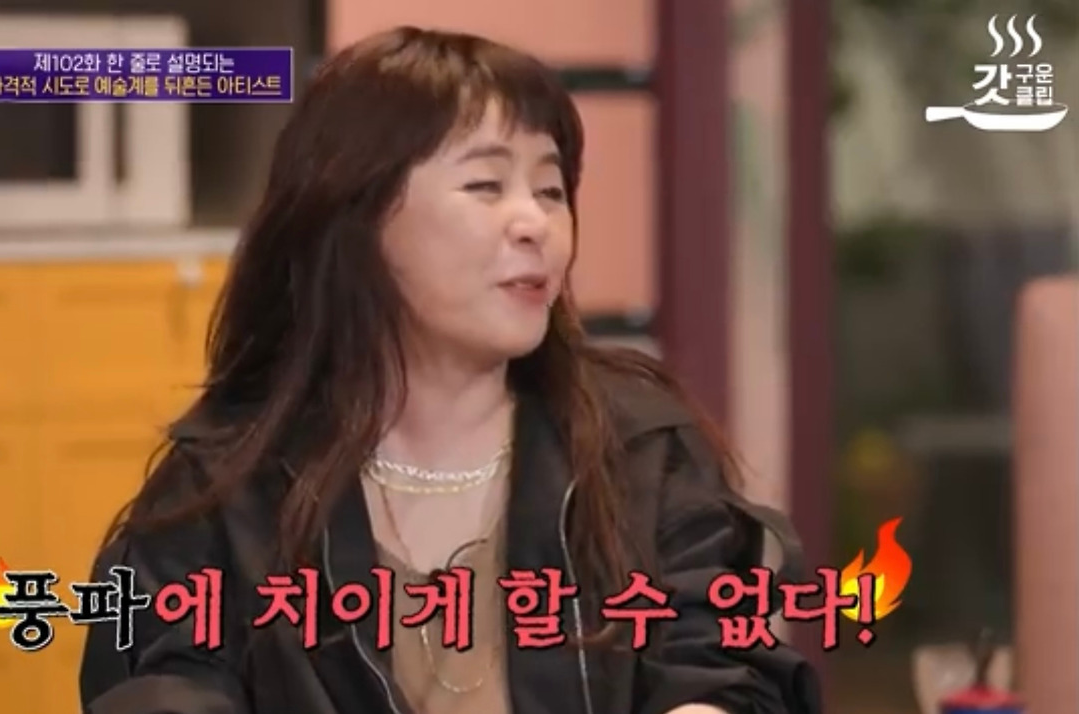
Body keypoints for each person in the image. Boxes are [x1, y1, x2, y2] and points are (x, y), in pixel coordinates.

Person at [78, 25, 822, 714]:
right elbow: (162, 684)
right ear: (357, 216)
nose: (535, 224)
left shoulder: (642, 451)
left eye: (551, 191)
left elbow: (723, 665)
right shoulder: (226, 484)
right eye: (486, 186)